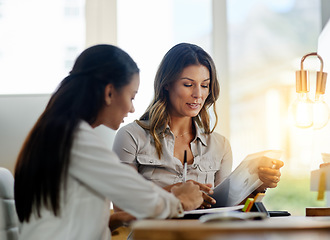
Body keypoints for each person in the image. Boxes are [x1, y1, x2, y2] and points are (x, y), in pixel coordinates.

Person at [14, 44, 204, 240]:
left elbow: (68, 212)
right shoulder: (76, 139)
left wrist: (115, 219)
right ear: (109, 93)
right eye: (131, 96)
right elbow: (136, 194)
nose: (131, 109)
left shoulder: (58, 132)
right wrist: (181, 201)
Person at [112, 43, 284, 216]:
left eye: (204, 85)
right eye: (188, 84)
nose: (198, 94)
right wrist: (173, 193)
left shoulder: (220, 145)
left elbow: (226, 208)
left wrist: (256, 187)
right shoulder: (131, 136)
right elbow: (121, 208)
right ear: (166, 84)